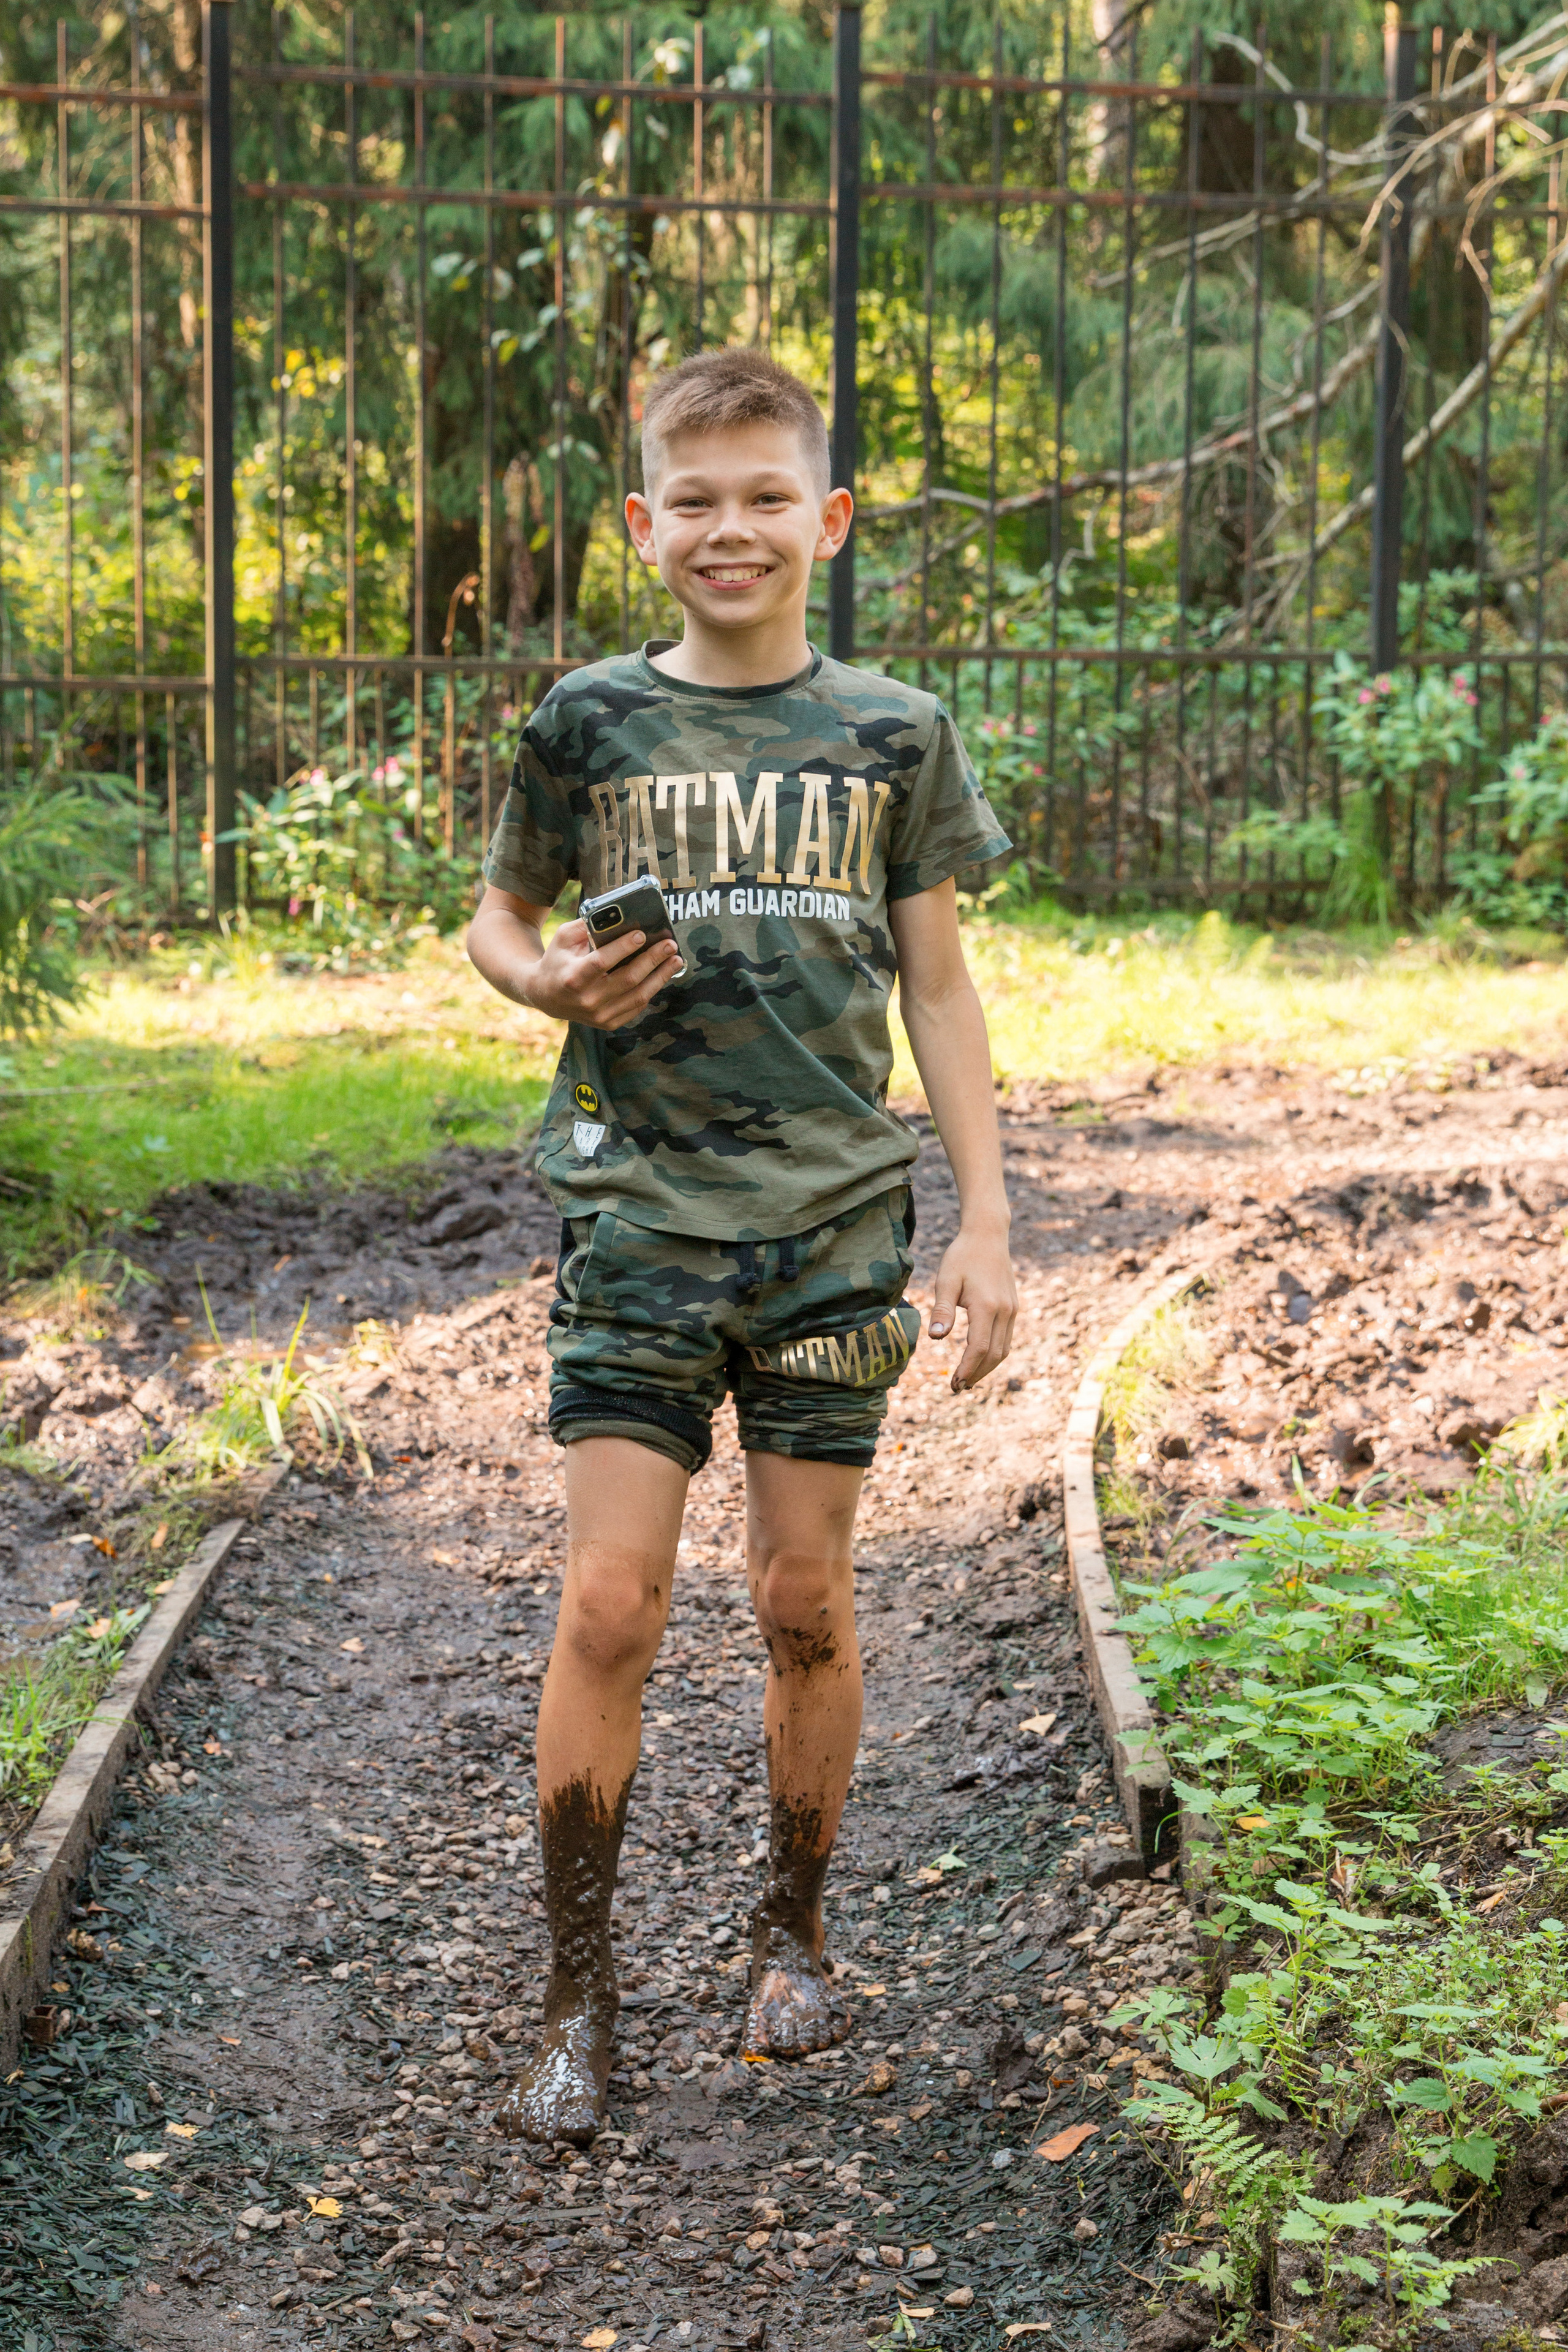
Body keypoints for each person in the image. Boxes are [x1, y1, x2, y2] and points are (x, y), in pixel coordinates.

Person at [466, 347, 1017, 2145]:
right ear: (644, 523)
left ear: (827, 520)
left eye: (767, 496)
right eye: (693, 500)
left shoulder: (895, 733)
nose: (732, 528)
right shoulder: (587, 722)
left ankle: (794, 1930)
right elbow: (498, 917)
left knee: (803, 1599)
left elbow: (940, 987)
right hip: (635, 1218)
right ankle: (578, 1999)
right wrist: (544, 979)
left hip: (832, 1234)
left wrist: (989, 1220)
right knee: (608, 1602)